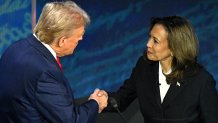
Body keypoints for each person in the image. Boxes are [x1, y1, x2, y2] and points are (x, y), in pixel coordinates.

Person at [0, 1, 107, 123]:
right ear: (62, 41)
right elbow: (71, 120)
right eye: (78, 38)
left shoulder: (15, 48)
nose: (81, 39)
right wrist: (96, 104)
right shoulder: (45, 72)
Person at [99, 16, 218, 123]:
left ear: (174, 48)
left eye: (155, 41)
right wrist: (103, 100)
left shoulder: (201, 81)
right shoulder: (144, 66)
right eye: (149, 37)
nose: (148, 44)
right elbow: (123, 98)